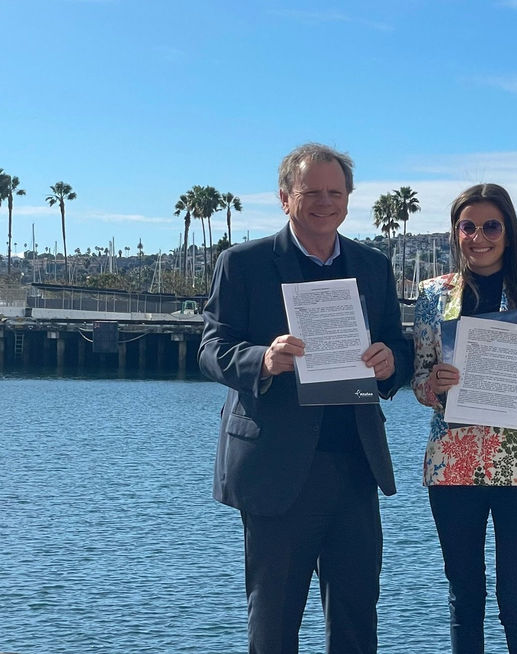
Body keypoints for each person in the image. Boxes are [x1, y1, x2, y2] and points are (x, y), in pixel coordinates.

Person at [198, 142, 412, 654]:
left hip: (355, 467)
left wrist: (390, 365)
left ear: (348, 198)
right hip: (276, 469)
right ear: (285, 198)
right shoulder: (243, 263)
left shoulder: (373, 265)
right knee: (273, 626)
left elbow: (398, 348)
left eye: (334, 192)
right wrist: (262, 360)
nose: (324, 202)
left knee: (357, 622)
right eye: (310, 192)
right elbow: (210, 349)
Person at [412, 183, 517, 653]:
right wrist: (432, 383)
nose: (479, 236)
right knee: (465, 598)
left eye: (491, 226)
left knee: (516, 599)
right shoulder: (433, 295)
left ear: (508, 233)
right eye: (468, 226)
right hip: (452, 465)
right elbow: (418, 381)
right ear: (456, 233)